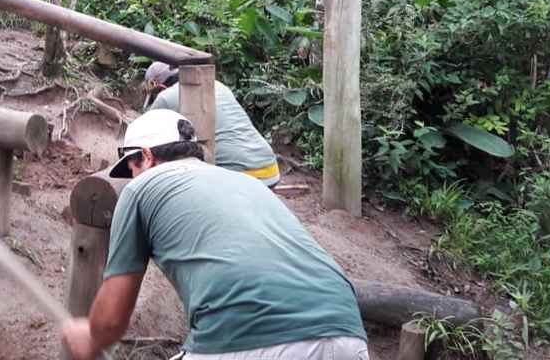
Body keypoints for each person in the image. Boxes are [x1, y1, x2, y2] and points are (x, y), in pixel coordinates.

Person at [61, 109, 368, 360]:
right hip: (347, 333)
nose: (130, 178)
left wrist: (90, 336)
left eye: (130, 168)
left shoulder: (141, 188)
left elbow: (111, 320)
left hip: (250, 337)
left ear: (146, 156)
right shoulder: (245, 184)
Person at [145, 61, 280, 186]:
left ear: (161, 87)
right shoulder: (216, 84)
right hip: (269, 167)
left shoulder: (166, 97)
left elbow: (144, 138)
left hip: (238, 174)